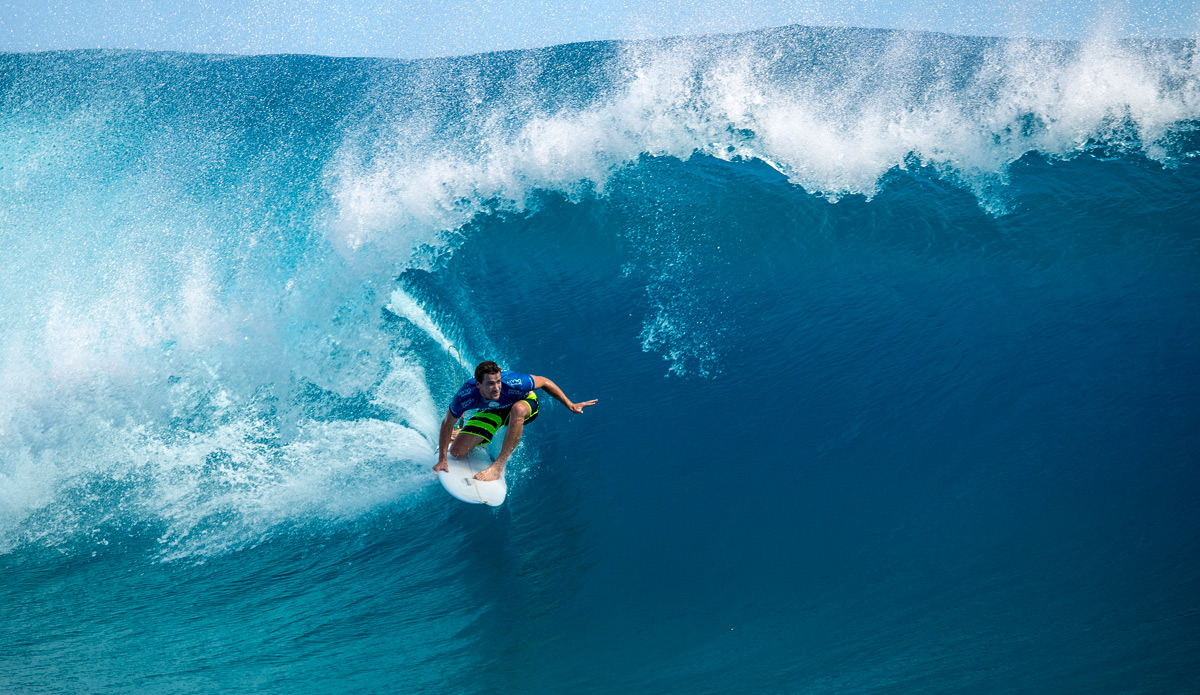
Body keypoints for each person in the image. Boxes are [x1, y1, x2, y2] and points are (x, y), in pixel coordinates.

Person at [433, 360, 597, 481]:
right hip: (494, 409)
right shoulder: (465, 396)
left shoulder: (514, 383)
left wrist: (570, 404)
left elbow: (545, 381)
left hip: (525, 404)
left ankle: (498, 467)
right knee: (456, 452)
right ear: (478, 384)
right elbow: (446, 423)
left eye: (498, 381)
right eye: (490, 384)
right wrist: (442, 460)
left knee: (517, 410)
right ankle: (471, 437)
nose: (496, 387)